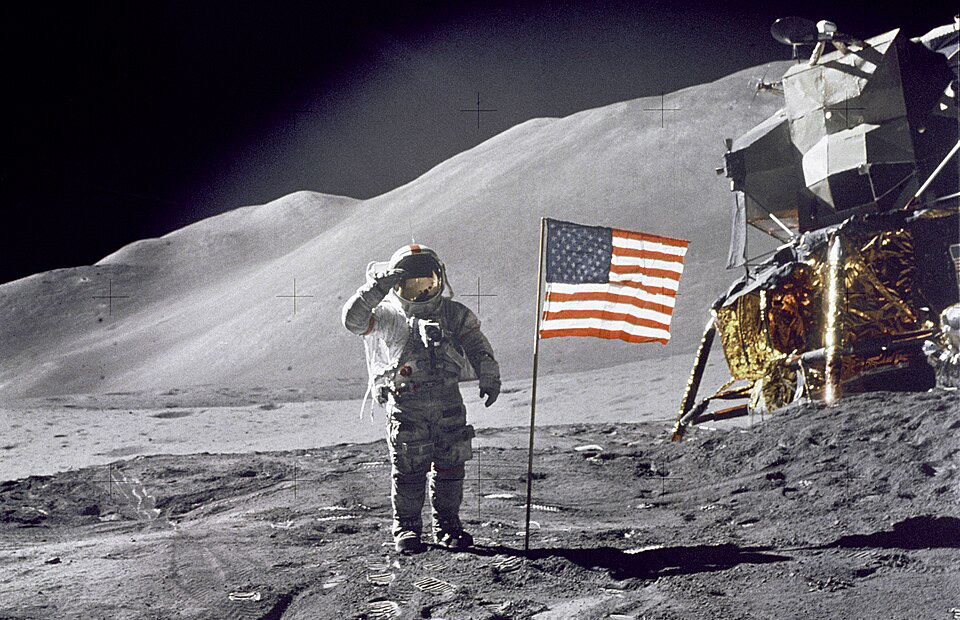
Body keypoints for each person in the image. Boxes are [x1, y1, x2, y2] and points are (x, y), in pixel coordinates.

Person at [341, 244, 500, 553]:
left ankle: (449, 527)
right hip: (406, 406)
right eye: (411, 286)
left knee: (451, 469)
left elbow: (477, 345)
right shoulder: (388, 316)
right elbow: (354, 321)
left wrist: (489, 375)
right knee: (409, 470)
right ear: (396, 287)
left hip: (447, 403)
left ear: (439, 279)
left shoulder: (454, 314)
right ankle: (407, 529)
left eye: (426, 284)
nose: (420, 292)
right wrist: (377, 289)